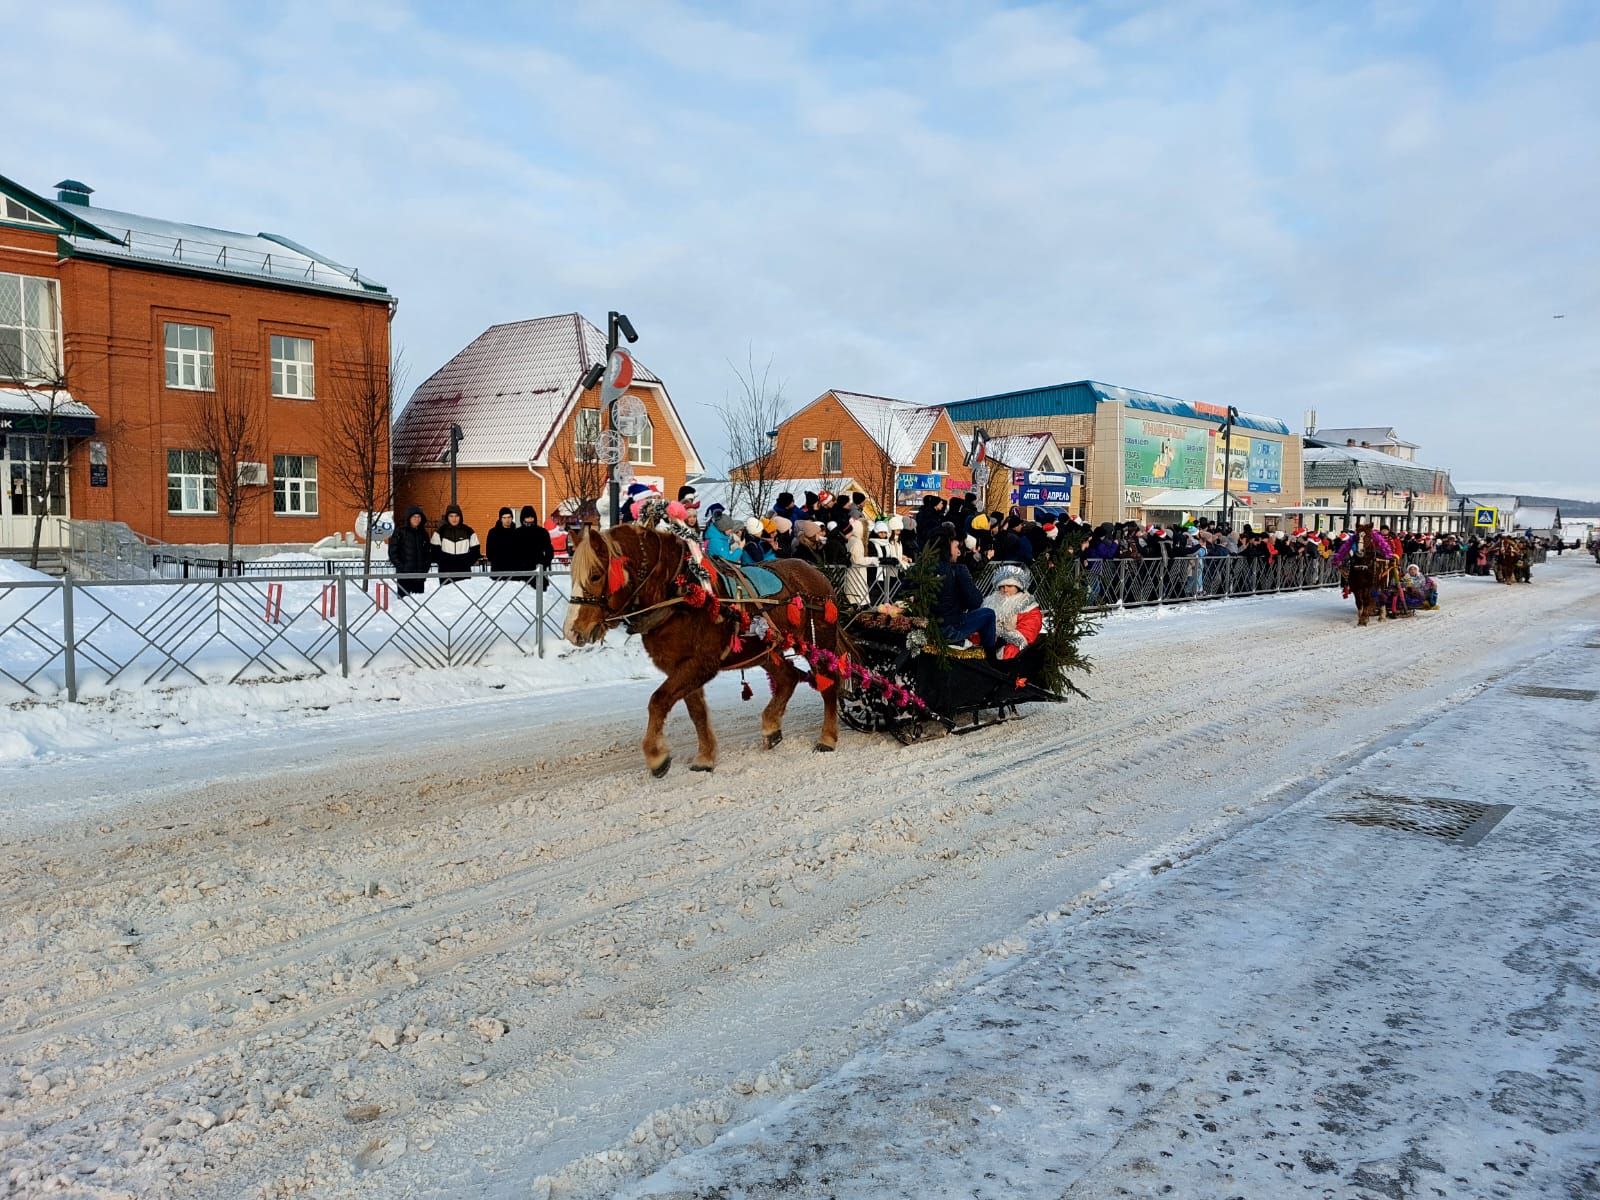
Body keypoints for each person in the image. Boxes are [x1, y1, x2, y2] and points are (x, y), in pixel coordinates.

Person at [935, 535, 997, 654]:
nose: (958, 552)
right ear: (946, 549)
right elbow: (975, 601)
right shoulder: (957, 569)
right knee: (989, 614)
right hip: (949, 629)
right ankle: (990, 658)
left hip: (925, 626)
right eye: (956, 547)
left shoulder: (920, 568)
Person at [982, 564, 1044, 660]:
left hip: (1008, 653)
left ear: (1018, 587)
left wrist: (998, 631)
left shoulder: (1030, 609)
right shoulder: (990, 602)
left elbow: (1023, 639)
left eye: (1010, 586)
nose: (1005, 590)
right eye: (1002, 586)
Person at [387, 506, 432, 597]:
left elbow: (428, 553)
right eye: (414, 517)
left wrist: (425, 569)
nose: (417, 519)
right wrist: (403, 568)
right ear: (409, 518)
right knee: (404, 605)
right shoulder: (400, 532)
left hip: (420, 576)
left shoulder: (423, 533)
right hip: (404, 576)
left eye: (419, 517)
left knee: (418, 604)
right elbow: (393, 553)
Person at [431, 504, 480, 581]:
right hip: (445, 573)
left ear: (460, 516)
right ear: (447, 517)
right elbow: (434, 552)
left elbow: (475, 551)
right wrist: (445, 563)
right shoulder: (440, 531)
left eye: (457, 516)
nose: (454, 519)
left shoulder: (468, 531)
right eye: (451, 516)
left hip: (464, 572)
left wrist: (465, 563)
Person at [516, 505, 555, 586]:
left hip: (539, 570)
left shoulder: (542, 532)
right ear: (523, 518)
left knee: (541, 594)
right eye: (527, 517)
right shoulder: (517, 533)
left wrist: (544, 563)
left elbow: (549, 550)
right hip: (521, 571)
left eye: (532, 517)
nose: (530, 519)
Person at [484, 507, 518, 578]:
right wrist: (496, 561)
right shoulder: (493, 532)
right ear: (500, 519)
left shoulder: (517, 532)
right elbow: (489, 551)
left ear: (512, 518)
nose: (507, 520)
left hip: (513, 569)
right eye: (504, 517)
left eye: (509, 517)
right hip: (497, 569)